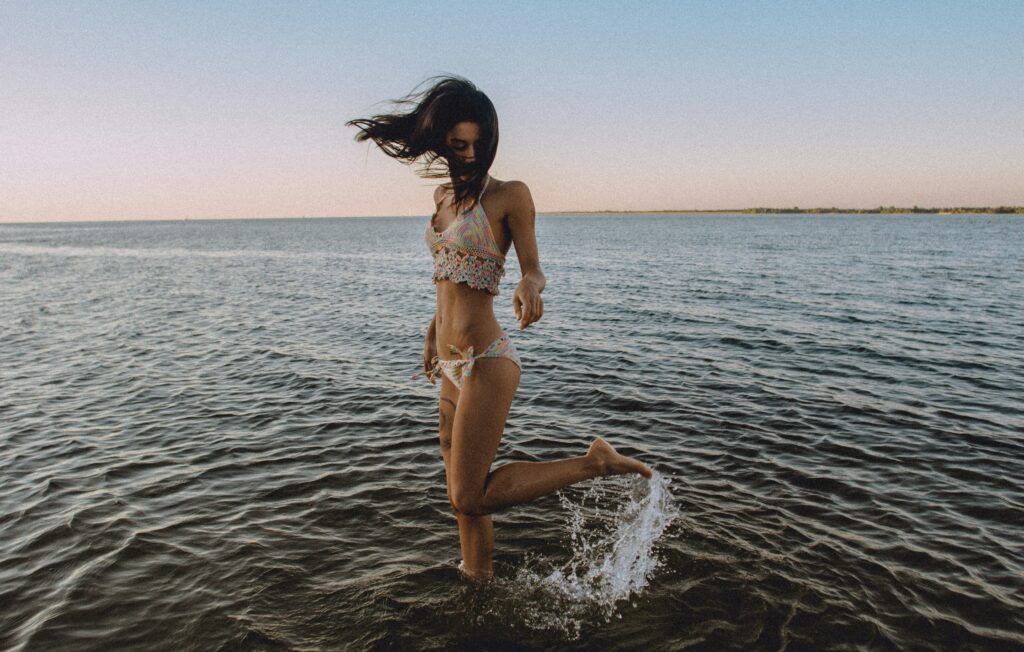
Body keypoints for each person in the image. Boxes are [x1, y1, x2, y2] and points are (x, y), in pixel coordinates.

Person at [346, 75, 652, 580]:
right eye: (458, 144)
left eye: (477, 145)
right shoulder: (443, 197)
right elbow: (448, 278)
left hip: (487, 358)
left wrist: (530, 287)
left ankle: (594, 462)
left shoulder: (510, 195)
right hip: (448, 361)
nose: (468, 154)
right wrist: (431, 332)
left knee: (469, 491)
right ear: (443, 140)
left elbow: (533, 267)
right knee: (463, 503)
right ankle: (477, 581)